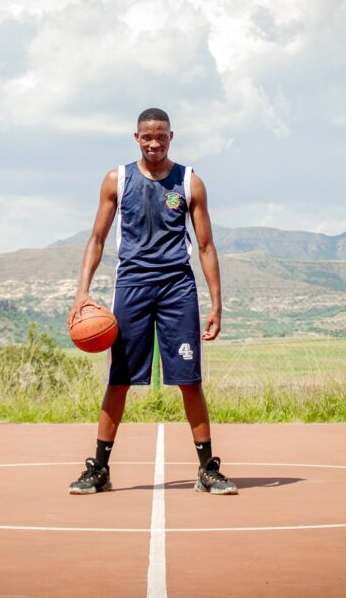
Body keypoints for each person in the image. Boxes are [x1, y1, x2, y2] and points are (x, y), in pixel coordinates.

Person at [66, 107, 237, 495]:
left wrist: (216, 304)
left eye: (161, 136)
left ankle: (207, 469)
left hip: (178, 287)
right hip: (132, 285)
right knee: (119, 380)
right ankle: (99, 469)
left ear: (171, 137)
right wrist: (82, 292)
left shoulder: (190, 182)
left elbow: (206, 246)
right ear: (136, 138)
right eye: (147, 137)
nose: (154, 143)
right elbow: (96, 239)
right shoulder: (117, 179)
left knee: (189, 381)